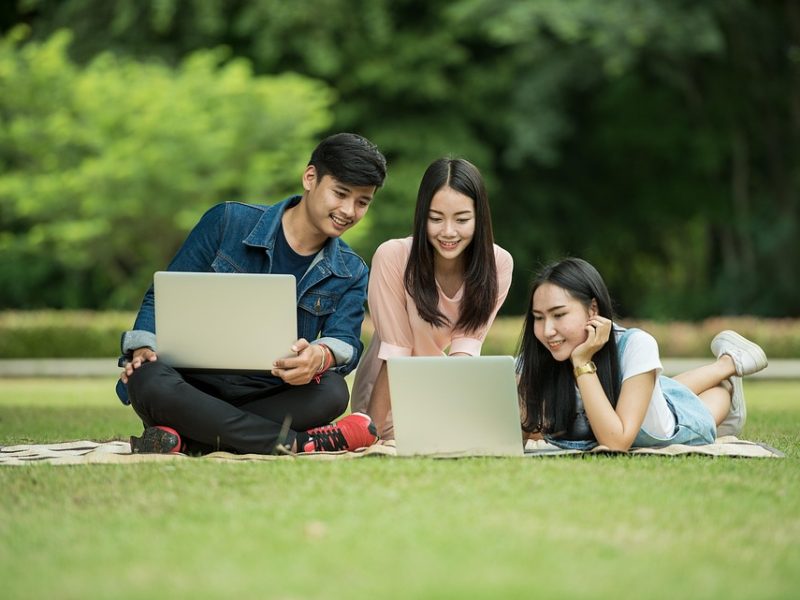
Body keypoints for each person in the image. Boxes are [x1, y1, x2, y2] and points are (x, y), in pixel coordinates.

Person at [116, 133, 387, 455]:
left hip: (271, 391)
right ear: (310, 177)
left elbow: (344, 340)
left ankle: (188, 438)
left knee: (331, 392)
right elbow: (161, 296)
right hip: (189, 384)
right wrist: (144, 346)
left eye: (362, 202)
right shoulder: (227, 221)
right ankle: (298, 443)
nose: (349, 210)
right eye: (340, 194)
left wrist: (321, 356)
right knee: (147, 378)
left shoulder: (351, 270)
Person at [516, 257, 769, 451]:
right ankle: (728, 361)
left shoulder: (636, 344)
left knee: (714, 394)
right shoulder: (540, 355)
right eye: (538, 318)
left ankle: (728, 370)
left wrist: (582, 362)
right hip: (649, 394)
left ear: (593, 309)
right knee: (662, 388)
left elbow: (616, 443)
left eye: (559, 315)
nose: (547, 330)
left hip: (673, 423)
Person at [350, 157, 514, 440]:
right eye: (435, 218)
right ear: (421, 215)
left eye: (462, 219)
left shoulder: (498, 264)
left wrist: (456, 415)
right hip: (385, 390)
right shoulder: (393, 257)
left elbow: (465, 351)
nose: (448, 232)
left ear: (479, 218)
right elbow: (395, 354)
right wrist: (371, 436)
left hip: (442, 383)